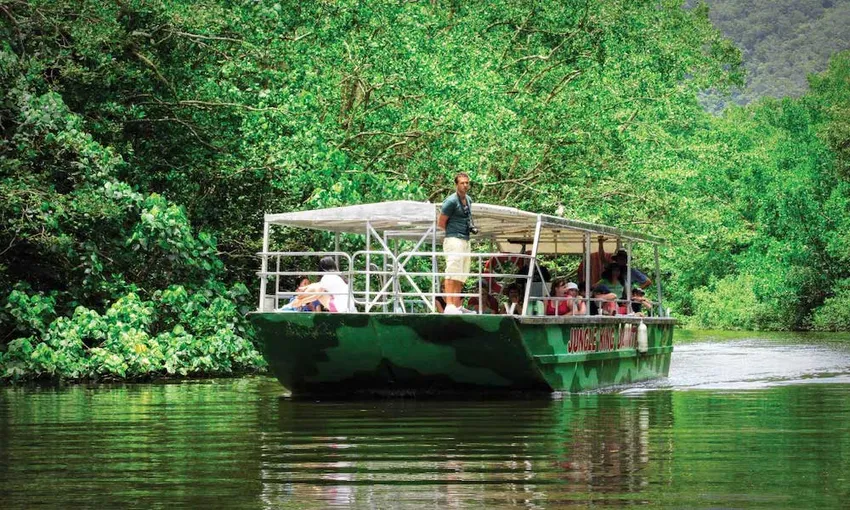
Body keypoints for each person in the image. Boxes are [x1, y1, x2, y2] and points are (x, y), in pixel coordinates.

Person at [438, 172, 474, 314]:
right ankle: (449, 306)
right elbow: (441, 222)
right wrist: (452, 233)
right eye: (462, 183)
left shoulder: (469, 200)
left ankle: (457, 306)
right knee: (452, 271)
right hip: (453, 239)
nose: (465, 185)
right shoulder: (451, 201)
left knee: (462, 273)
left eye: (467, 183)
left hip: (465, 239)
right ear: (456, 184)